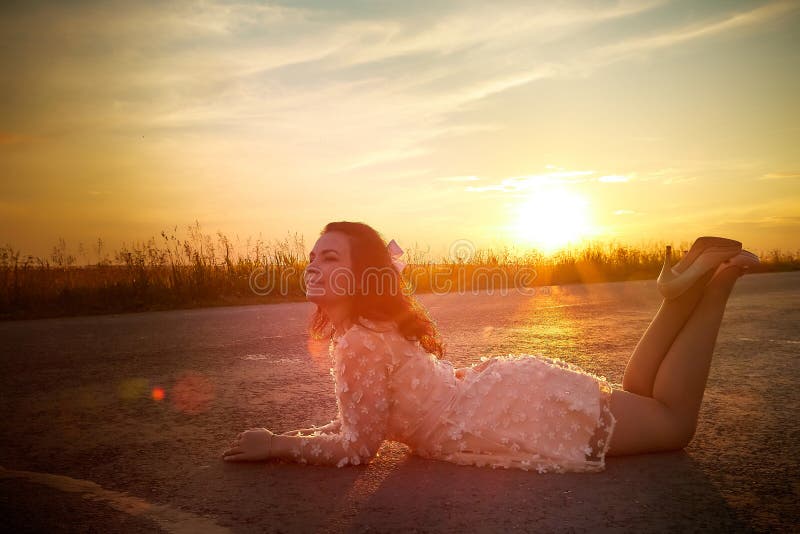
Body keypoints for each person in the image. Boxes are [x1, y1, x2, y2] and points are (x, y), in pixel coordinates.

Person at [222, 222, 759, 472]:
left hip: (495, 416)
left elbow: (358, 448)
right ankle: (675, 296)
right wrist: (288, 438)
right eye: (314, 256)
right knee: (641, 397)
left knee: (671, 423)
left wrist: (277, 443)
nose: (315, 265)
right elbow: (361, 426)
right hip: (492, 398)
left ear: (361, 275)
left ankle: (718, 283)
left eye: (331, 258)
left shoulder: (359, 340)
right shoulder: (370, 329)